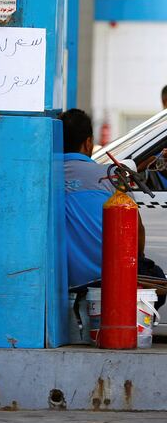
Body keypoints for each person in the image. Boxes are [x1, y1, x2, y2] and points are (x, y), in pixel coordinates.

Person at [60, 108, 165, 307]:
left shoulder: (46, 176)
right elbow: (137, 232)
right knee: (155, 277)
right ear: (89, 142)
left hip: (61, 282)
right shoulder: (109, 177)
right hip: (109, 281)